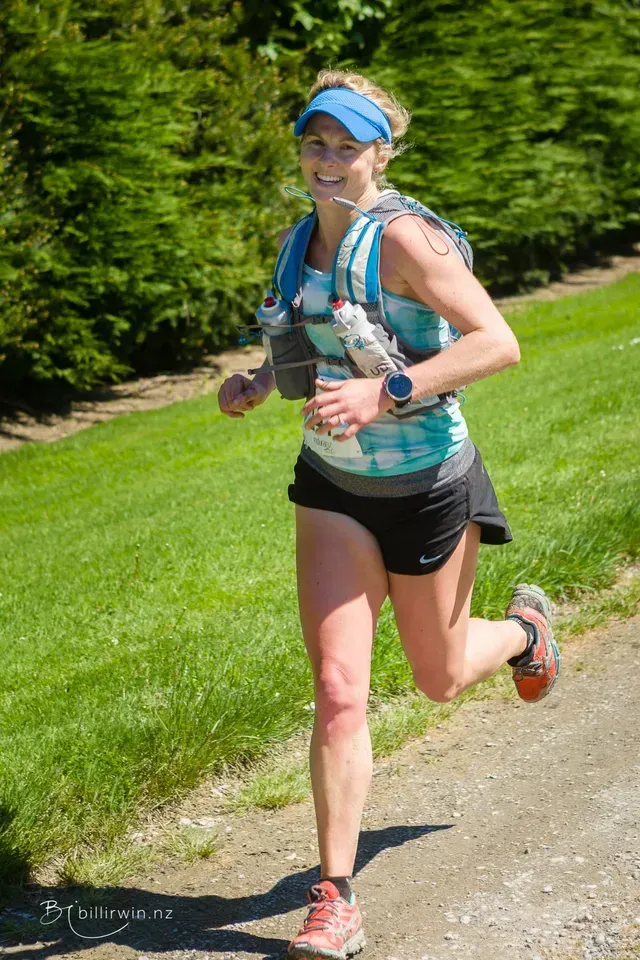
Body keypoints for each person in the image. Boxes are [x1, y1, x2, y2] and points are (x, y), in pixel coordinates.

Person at [217, 70, 560, 960]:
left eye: (347, 146)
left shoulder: (408, 239)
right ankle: (335, 897)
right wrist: (259, 383)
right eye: (314, 143)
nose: (327, 161)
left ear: (382, 153)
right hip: (332, 488)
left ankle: (525, 632)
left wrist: (386, 389)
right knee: (338, 690)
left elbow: (499, 342)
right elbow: (310, 341)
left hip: (429, 485)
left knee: (440, 676)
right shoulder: (301, 240)